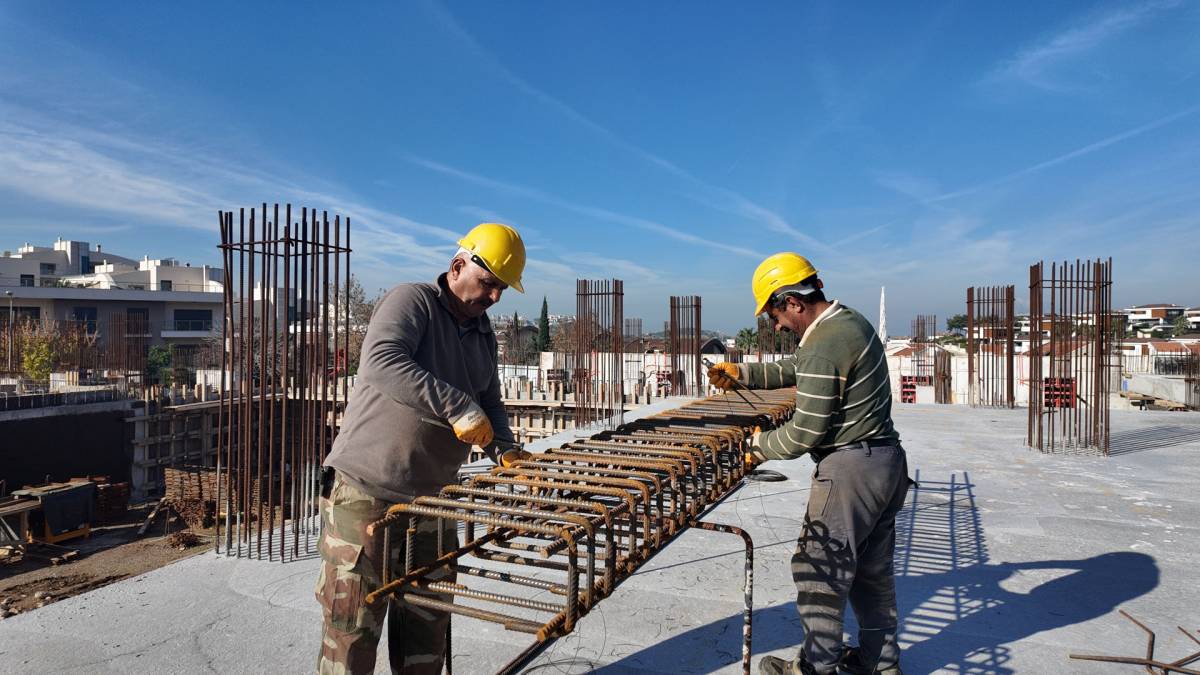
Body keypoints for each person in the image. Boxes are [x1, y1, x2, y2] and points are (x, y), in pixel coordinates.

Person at [315, 223, 533, 675]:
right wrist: (457, 406)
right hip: (366, 495)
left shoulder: (483, 333)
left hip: (433, 501)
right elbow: (382, 363)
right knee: (351, 633)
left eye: (502, 289)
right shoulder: (412, 302)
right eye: (488, 283)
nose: (494, 297)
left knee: (425, 635)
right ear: (457, 266)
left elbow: (489, 399)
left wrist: (505, 449)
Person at [708, 252, 910, 675]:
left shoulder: (825, 342)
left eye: (775, 316)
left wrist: (759, 446)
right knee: (871, 575)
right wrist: (740, 372)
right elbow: (797, 367)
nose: (777, 326)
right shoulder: (847, 322)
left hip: (852, 471)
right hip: (886, 463)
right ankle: (880, 664)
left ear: (793, 302)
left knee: (818, 571)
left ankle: (816, 668)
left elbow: (805, 433)